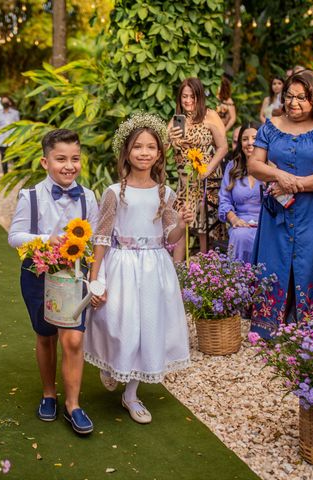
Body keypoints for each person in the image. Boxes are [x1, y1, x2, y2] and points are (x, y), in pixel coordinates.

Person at [85, 113, 191, 424]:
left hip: (154, 267)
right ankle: (111, 362)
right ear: (127, 152)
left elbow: (171, 237)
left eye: (151, 147)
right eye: (138, 147)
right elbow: (102, 236)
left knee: (147, 328)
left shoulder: (165, 193)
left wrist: (182, 223)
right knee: (116, 322)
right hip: (122, 265)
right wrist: (95, 278)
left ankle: (131, 393)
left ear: (159, 153)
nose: (144, 153)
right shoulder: (114, 192)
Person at [8, 129, 99, 435]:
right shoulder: (29, 197)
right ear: (45, 162)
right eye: (61, 159)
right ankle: (49, 394)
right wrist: (46, 239)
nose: (69, 165)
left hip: (75, 276)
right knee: (45, 335)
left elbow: (97, 239)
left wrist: (98, 279)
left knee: (72, 338)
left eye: (75, 159)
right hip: (36, 274)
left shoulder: (88, 197)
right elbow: (14, 236)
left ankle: (73, 405)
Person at [247, 69, 313, 339]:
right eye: (289, 96)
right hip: (276, 209)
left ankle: (310, 330)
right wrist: (278, 175)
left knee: (310, 261)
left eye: (302, 98)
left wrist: (296, 183)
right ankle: (269, 327)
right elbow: (254, 164)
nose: (293, 103)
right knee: (274, 259)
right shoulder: (271, 126)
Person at [168, 77, 228, 261]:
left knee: (204, 225)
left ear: (199, 97)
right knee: (181, 220)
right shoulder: (177, 120)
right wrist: (168, 137)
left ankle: (203, 270)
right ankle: (178, 270)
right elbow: (161, 152)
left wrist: (207, 171)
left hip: (206, 178)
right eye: (184, 96)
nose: (187, 101)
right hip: (185, 180)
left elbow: (223, 147)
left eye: (192, 96)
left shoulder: (210, 116)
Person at [218, 122, 263, 263]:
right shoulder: (233, 167)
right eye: (245, 139)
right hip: (241, 223)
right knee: (240, 236)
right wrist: (234, 219)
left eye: (254, 138)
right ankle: (239, 281)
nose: (250, 143)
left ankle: (264, 283)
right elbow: (224, 200)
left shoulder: (270, 166)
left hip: (267, 223)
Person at [0, 96, 20, 174]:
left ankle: (16, 174)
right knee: (4, 157)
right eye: (3, 102)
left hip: (13, 139)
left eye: (6, 101)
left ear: (10, 102)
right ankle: (5, 174)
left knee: (15, 157)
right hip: (2, 139)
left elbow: (18, 125)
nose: (5, 103)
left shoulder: (15, 113)